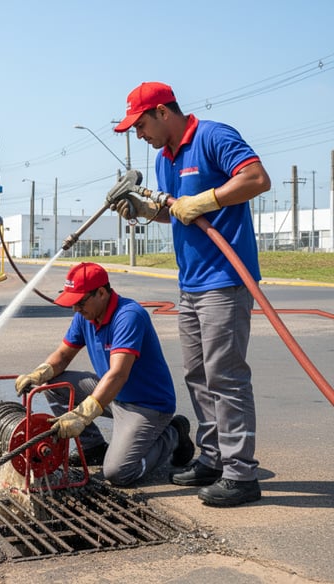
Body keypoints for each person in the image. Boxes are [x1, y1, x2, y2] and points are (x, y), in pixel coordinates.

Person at [113, 81, 271, 507]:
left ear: (163, 112)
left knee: (226, 376)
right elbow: (178, 211)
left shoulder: (213, 137)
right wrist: (147, 211)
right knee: (198, 375)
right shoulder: (164, 158)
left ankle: (241, 474)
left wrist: (205, 200)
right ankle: (214, 459)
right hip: (191, 283)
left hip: (225, 279)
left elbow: (257, 179)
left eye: (140, 125)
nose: (138, 134)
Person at [15, 262, 194, 487]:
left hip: (146, 406)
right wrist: (39, 374)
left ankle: (174, 434)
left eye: (80, 302)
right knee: (53, 384)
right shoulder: (86, 316)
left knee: (119, 472)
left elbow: (118, 374)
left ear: (101, 293)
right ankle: (93, 447)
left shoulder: (128, 316)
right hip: (113, 394)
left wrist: (83, 415)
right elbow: (63, 355)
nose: (76, 309)